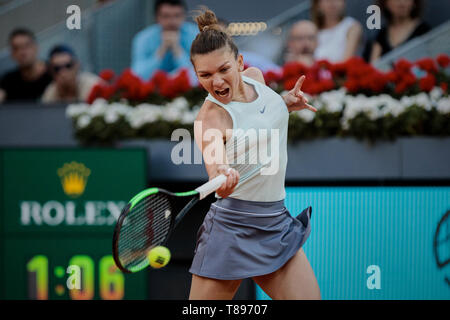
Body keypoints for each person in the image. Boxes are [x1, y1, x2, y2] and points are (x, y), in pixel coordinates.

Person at [188, 8, 321, 300]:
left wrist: (284, 103)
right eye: (205, 75)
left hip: (275, 223)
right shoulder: (209, 119)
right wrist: (223, 174)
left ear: (239, 62)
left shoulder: (255, 78)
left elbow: (256, 120)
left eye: (224, 70)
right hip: (232, 230)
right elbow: (215, 165)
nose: (217, 82)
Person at [131, 0, 198, 81]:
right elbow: (137, 75)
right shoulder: (143, 38)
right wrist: (161, 52)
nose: (172, 22)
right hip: (153, 90)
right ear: (157, 17)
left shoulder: (195, 35)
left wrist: (177, 50)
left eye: (177, 16)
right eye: (166, 16)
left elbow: (198, 75)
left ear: (184, 16)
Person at [0, 28, 52, 103]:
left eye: (26, 46)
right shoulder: (8, 81)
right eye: (16, 48)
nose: (22, 52)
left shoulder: (55, 73)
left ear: (36, 48)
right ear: (12, 53)